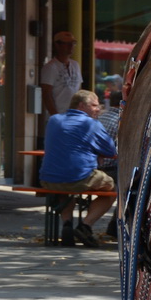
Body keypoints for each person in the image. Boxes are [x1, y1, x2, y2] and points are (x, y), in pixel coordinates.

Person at [41, 91, 117, 248]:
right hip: (80, 177)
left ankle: (67, 223)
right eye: (94, 105)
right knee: (112, 189)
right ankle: (85, 226)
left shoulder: (54, 120)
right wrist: (97, 152)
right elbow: (111, 151)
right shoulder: (91, 124)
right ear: (82, 106)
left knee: (65, 184)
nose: (98, 109)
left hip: (48, 179)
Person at [39, 30, 82, 137]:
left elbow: (79, 91)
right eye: (67, 43)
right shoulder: (50, 67)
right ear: (57, 45)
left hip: (75, 117)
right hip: (59, 116)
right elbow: (46, 94)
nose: (71, 46)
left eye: (73, 43)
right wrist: (56, 117)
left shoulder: (75, 65)